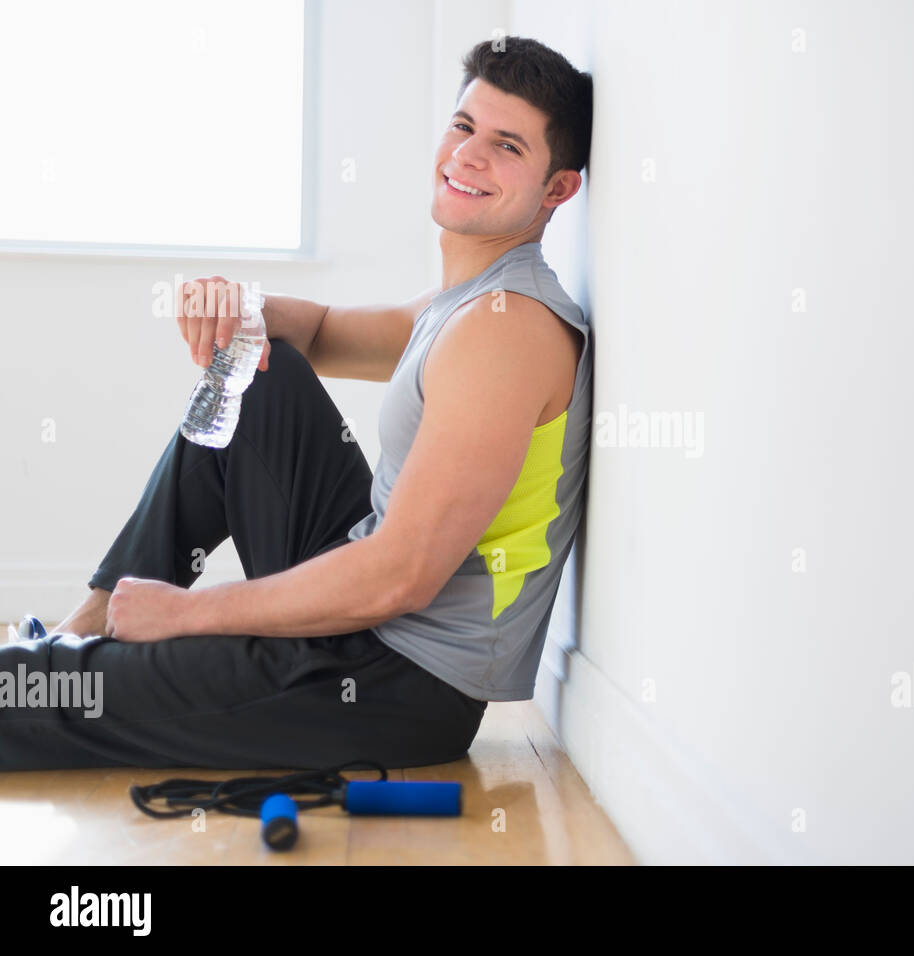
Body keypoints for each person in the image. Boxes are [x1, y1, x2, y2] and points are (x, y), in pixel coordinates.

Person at [0, 36, 594, 771]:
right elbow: (313, 331)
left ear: (557, 189)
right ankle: (90, 626)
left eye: (507, 146)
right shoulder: (463, 306)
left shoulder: (507, 334)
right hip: (366, 632)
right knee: (261, 374)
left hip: (391, 683)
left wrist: (189, 616)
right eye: (465, 126)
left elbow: (401, 575)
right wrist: (230, 303)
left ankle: (79, 655)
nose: (468, 156)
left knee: (25, 695)